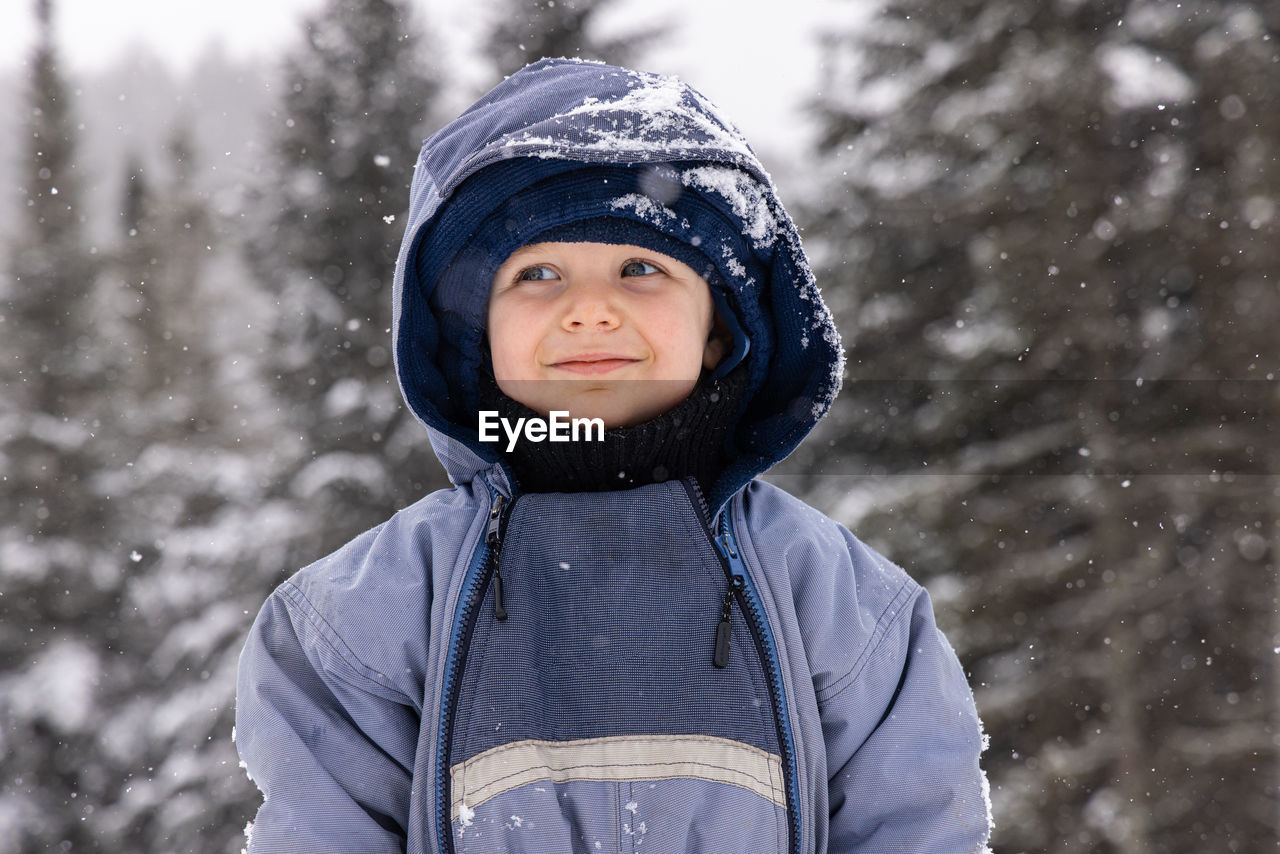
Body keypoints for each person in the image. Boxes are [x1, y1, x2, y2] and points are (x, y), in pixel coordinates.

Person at [235, 58, 993, 854]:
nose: (589, 309)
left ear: (718, 325)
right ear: (473, 338)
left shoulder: (850, 610)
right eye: (537, 273)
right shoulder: (357, 622)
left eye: (641, 267)